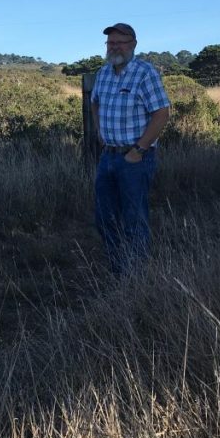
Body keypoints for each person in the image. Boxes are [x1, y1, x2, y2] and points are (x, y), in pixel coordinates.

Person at [90, 23, 171, 274]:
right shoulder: (103, 73)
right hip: (108, 157)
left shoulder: (145, 73)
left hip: (135, 159)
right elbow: (95, 104)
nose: (114, 47)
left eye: (120, 42)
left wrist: (139, 150)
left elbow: (161, 113)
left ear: (133, 44)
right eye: (111, 43)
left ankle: (135, 278)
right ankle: (118, 268)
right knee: (105, 218)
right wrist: (101, 135)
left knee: (134, 220)